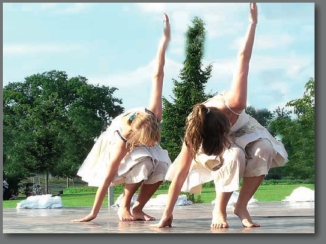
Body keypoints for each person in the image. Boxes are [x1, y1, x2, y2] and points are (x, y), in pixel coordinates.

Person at [157, 3, 288, 229]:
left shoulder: (235, 102)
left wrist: (252, 23)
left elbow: (243, 59)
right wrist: (167, 213)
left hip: (246, 130)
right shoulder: (195, 128)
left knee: (264, 149)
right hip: (217, 144)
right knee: (234, 155)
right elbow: (181, 171)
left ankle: (241, 206)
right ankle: (219, 209)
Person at [72, 13, 172, 222]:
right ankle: (124, 206)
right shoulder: (121, 142)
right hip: (115, 144)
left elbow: (158, 74)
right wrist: (93, 213)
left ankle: (137, 208)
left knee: (162, 165)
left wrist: (164, 39)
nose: (152, 144)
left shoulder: (154, 112)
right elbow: (107, 179)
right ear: (137, 137)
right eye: (148, 141)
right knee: (145, 162)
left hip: (140, 131)